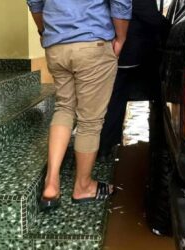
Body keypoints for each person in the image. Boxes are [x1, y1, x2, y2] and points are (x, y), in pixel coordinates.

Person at [27, 0, 132, 210]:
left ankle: (51, 184)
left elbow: (34, 2)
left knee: (64, 108)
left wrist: (44, 31)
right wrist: (121, 37)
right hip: (93, 43)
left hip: (56, 45)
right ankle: (83, 186)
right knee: (90, 121)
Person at [98, 0, 169, 160]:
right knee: (117, 99)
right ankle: (106, 145)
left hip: (117, 48)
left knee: (114, 98)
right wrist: (171, 29)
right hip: (128, 50)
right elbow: (149, 16)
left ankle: (106, 145)